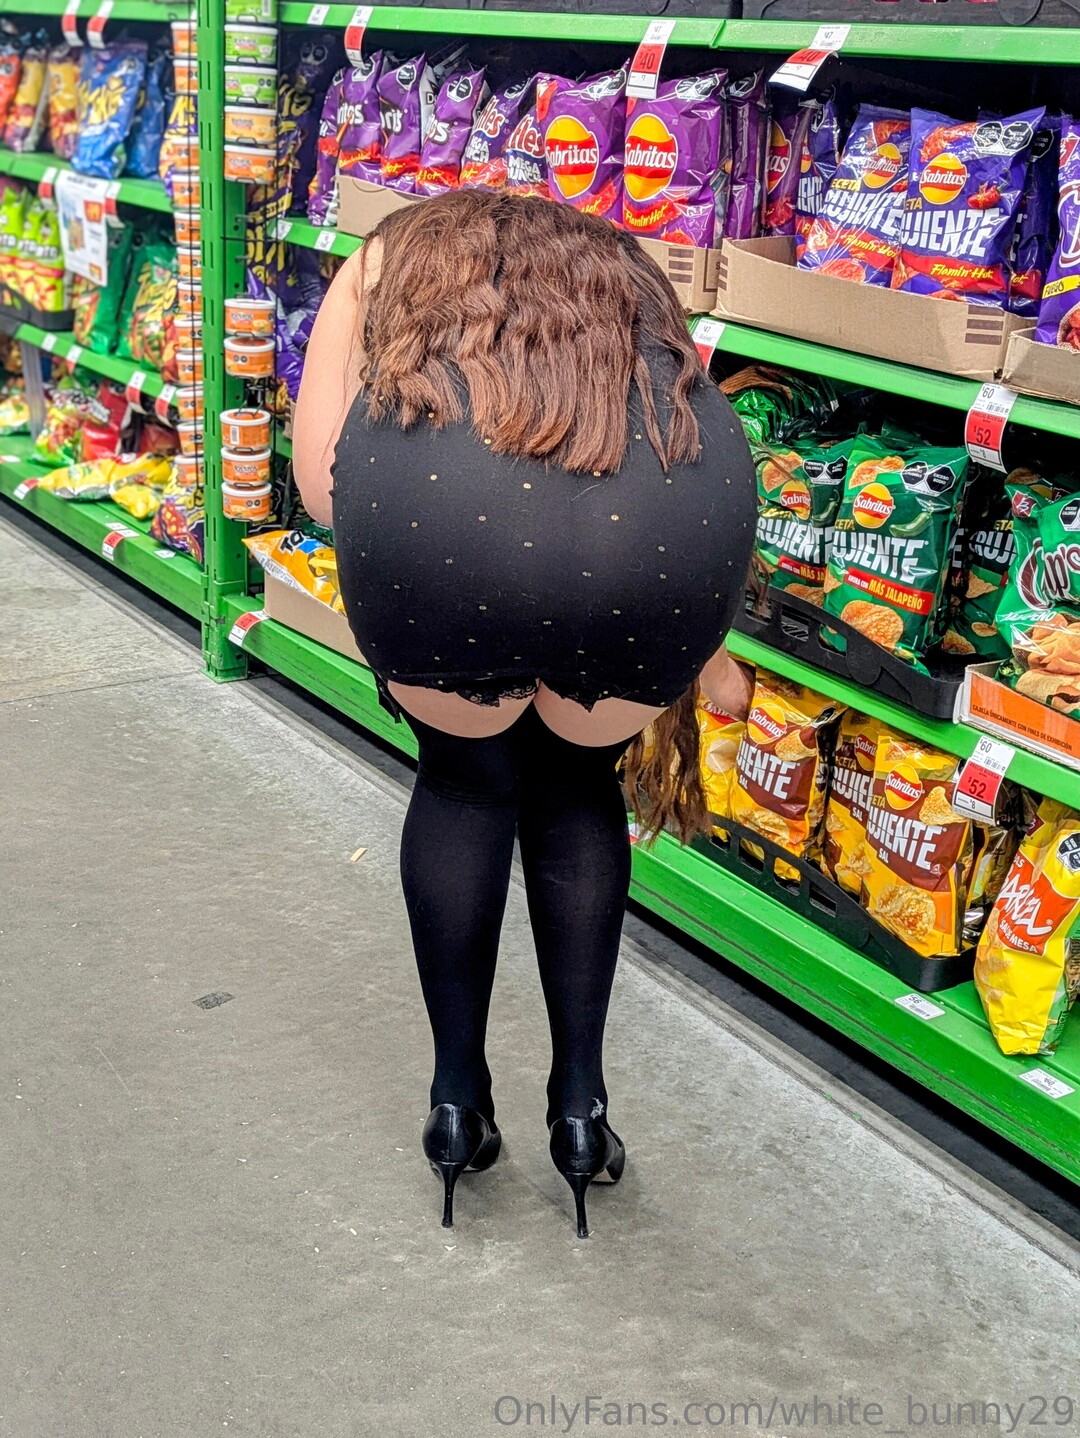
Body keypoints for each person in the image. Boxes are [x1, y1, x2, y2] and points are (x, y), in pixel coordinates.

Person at [293, 189, 756, 1238]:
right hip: (662, 540)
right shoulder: (626, 274)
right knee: (578, 785)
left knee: (465, 785)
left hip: (439, 522)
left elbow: (324, 487)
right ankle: (581, 1108)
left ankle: (458, 1103)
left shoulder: (384, 257)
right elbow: (676, 427)